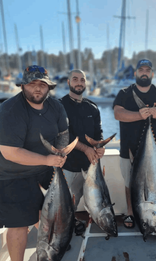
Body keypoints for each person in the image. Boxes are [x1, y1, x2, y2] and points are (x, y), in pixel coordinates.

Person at [0, 65, 69, 261]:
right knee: (19, 225)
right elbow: (10, 152)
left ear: (49, 87)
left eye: (42, 84)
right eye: (32, 84)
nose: (37, 88)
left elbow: (63, 134)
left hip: (46, 171)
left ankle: (50, 247)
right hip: (15, 175)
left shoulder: (56, 106)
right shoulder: (9, 110)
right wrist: (48, 159)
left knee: (48, 217)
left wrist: (61, 153)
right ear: (22, 85)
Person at [113, 59, 156, 228]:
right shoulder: (125, 92)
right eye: (141, 69)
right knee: (130, 183)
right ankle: (130, 212)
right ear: (135, 73)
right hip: (129, 150)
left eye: (147, 70)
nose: (144, 72)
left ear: (152, 73)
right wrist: (140, 115)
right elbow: (118, 114)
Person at [60, 69, 105, 233]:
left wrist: (100, 147)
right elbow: (63, 135)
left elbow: (98, 133)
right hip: (68, 165)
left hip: (89, 165)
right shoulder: (59, 106)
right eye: (75, 79)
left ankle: (71, 222)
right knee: (68, 200)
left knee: (82, 197)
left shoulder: (92, 107)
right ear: (68, 82)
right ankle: (62, 231)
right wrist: (86, 148)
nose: (79, 82)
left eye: (82, 80)